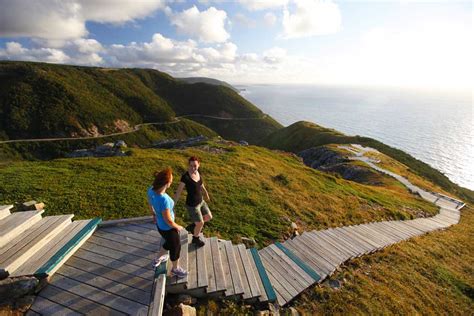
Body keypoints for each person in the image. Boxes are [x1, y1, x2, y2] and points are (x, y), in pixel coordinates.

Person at [147, 167, 187, 278]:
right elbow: (168, 220)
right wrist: (177, 226)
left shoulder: (151, 190)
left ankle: (157, 259)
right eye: (171, 180)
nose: (172, 181)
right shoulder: (163, 199)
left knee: (169, 243)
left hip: (160, 226)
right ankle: (175, 269)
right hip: (168, 228)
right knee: (176, 247)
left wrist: (154, 214)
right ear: (167, 183)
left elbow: (150, 202)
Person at [174, 156, 212, 247]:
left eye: (195, 165)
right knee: (201, 223)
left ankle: (193, 227)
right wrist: (173, 204)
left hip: (201, 201)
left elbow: (201, 184)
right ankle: (195, 239)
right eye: (190, 166)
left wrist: (206, 193)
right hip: (192, 205)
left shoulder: (198, 172)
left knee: (209, 217)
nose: (193, 168)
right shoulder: (185, 177)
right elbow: (178, 191)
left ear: (199, 165)